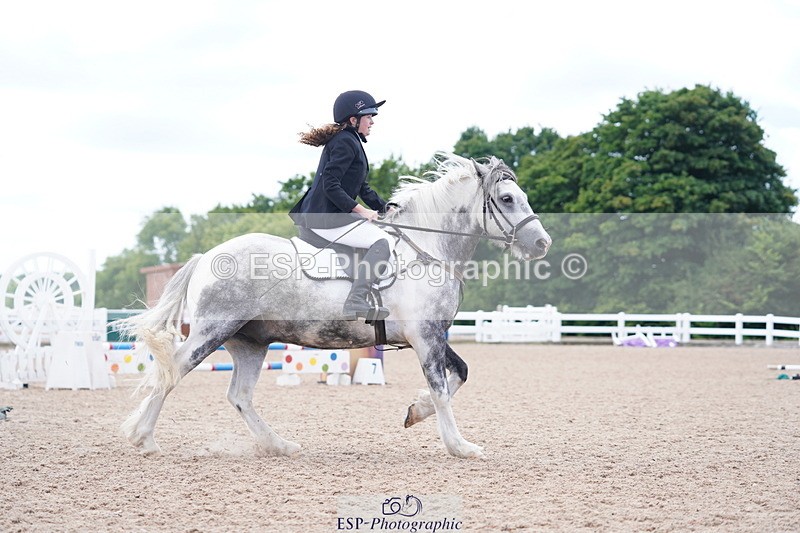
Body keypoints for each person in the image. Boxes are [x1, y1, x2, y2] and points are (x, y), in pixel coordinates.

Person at [289, 90, 394, 321]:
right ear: (353, 119)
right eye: (369, 116)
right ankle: (356, 300)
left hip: (327, 215)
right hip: (325, 217)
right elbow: (331, 184)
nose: (372, 121)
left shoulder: (351, 140)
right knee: (384, 241)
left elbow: (361, 187)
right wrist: (360, 210)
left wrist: (386, 208)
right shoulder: (346, 141)